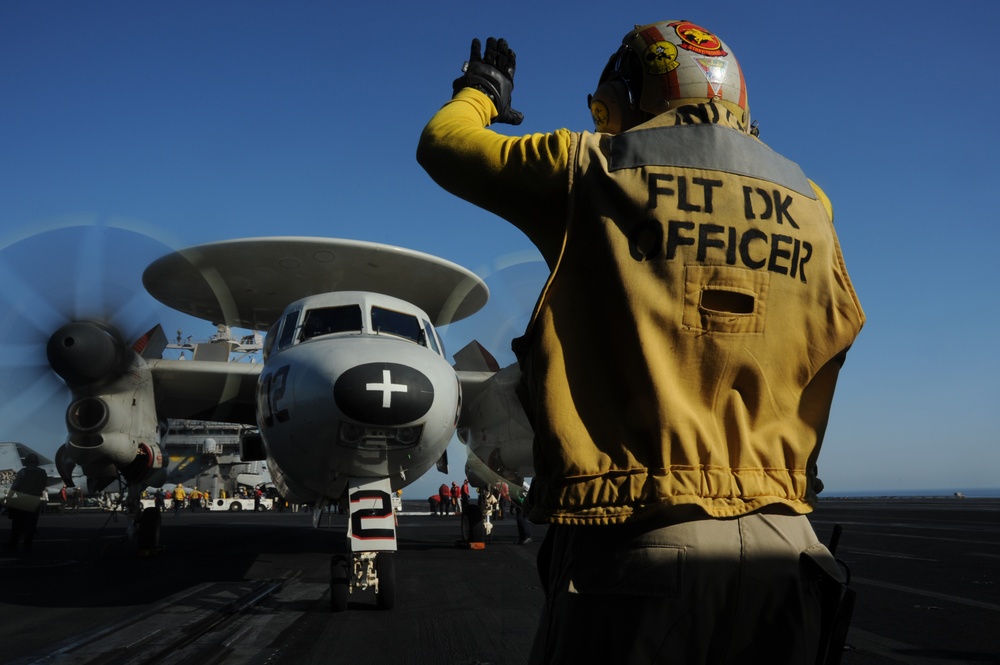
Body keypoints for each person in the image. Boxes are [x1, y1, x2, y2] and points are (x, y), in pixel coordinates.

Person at [418, 22, 865, 663]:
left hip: (639, 546)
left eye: (607, 109)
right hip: (789, 551)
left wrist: (480, 92)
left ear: (634, 95)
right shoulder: (813, 203)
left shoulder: (589, 168)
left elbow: (444, 145)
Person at [4, 454, 48, 552]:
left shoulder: (23, 472)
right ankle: (27, 545)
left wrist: (9, 499)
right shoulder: (42, 472)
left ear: (26, 462)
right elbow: (43, 485)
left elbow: (15, 486)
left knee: (17, 525)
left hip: (22, 500)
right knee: (31, 525)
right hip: (35, 500)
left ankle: (13, 544)